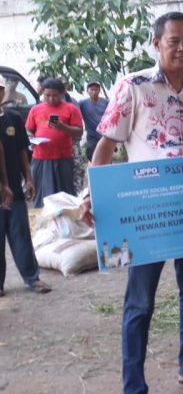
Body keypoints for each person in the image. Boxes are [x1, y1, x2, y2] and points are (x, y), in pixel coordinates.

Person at [82, 11, 183, 394]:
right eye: (173, 40)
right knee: (140, 304)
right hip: (146, 215)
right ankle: (135, 389)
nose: (182, 48)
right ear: (156, 43)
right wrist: (93, 195)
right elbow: (108, 144)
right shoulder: (133, 87)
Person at [0, 81, 50, 297]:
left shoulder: (13, 118)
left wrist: (28, 178)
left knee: (21, 234)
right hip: (3, 187)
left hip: (14, 188)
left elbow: (22, 150)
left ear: (2, 92)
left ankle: (32, 277)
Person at [25, 78, 83, 207]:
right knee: (41, 195)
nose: (51, 99)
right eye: (47, 95)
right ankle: (43, 223)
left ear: (62, 94)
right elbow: (29, 128)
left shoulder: (71, 109)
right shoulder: (36, 109)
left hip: (62, 158)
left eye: (55, 95)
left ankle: (65, 223)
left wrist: (63, 128)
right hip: (40, 157)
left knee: (64, 195)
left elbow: (79, 132)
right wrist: (31, 137)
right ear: (43, 94)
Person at [78, 80, 108, 162]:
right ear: (87, 91)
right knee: (93, 157)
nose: (94, 92)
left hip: (105, 135)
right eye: (92, 90)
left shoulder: (106, 102)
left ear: (99, 91)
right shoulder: (82, 103)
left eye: (96, 89)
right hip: (92, 136)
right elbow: (74, 111)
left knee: (106, 157)